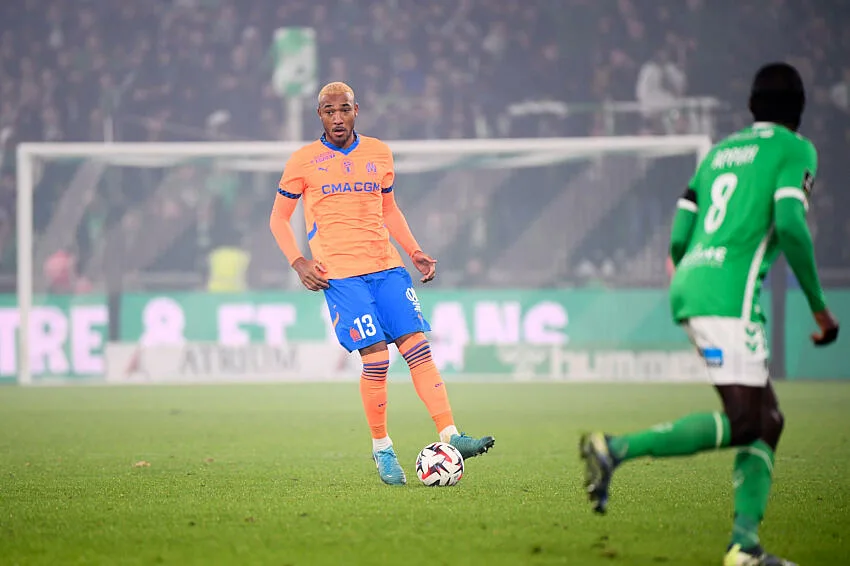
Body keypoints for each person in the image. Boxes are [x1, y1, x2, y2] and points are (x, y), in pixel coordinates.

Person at [579, 63, 839, 566]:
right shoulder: (794, 149)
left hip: (693, 279)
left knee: (769, 421)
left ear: (751, 106)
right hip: (728, 297)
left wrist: (689, 267)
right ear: (799, 113)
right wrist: (819, 307)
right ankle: (614, 448)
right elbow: (790, 221)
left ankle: (745, 545)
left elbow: (679, 230)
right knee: (747, 422)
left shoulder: (719, 154)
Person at [269, 82, 495, 486]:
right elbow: (278, 219)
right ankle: (383, 449)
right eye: (327, 111)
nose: (336, 117)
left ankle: (450, 435)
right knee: (376, 360)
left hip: (387, 268)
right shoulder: (303, 161)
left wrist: (414, 250)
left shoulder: (379, 153)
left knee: (418, 349)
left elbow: (388, 208)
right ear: (318, 115)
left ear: (357, 110)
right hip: (339, 274)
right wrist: (298, 261)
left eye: (344, 109)